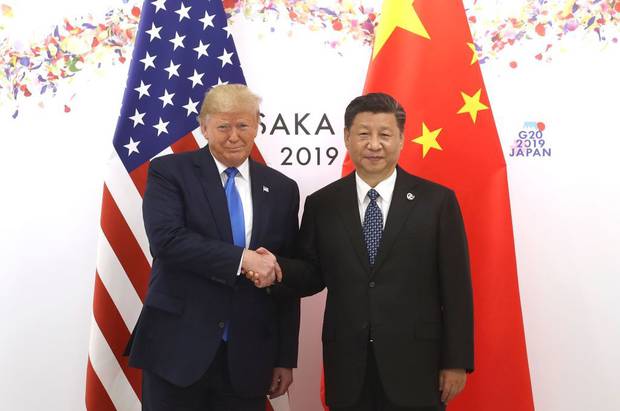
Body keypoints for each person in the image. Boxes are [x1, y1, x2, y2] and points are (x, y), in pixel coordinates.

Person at [251, 93, 474, 410]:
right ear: (346, 137)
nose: (374, 144)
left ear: (400, 139)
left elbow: (456, 288)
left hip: (417, 365)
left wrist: (456, 361)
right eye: (363, 134)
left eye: (384, 135)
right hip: (348, 364)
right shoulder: (322, 204)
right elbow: (313, 274)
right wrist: (277, 268)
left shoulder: (436, 202)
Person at [125, 84, 300, 411]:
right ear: (204, 128)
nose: (234, 136)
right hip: (177, 350)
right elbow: (167, 241)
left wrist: (284, 358)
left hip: (248, 358)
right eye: (223, 126)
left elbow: (282, 277)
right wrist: (242, 259)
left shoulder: (282, 189)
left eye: (243, 125)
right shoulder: (169, 172)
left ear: (257, 126)